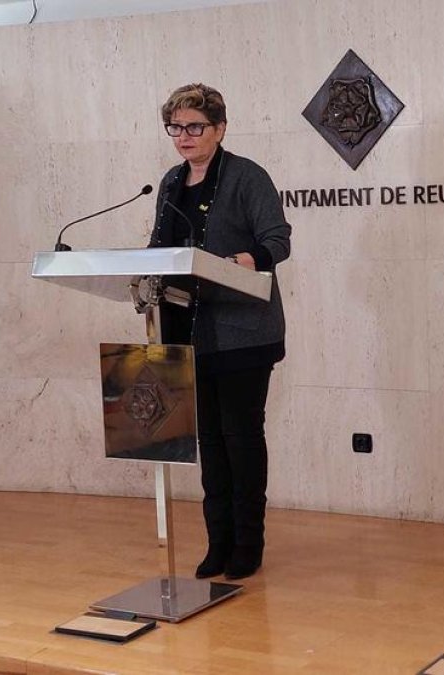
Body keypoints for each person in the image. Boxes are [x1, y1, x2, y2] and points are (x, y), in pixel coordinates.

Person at [147, 83, 291, 580]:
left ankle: (247, 545)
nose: (184, 136)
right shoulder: (169, 182)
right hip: (187, 330)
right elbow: (160, 248)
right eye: (176, 127)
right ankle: (218, 543)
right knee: (209, 439)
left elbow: (278, 239)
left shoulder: (248, 177)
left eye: (194, 127)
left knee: (241, 438)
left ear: (220, 129)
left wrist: (244, 260)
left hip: (242, 332)